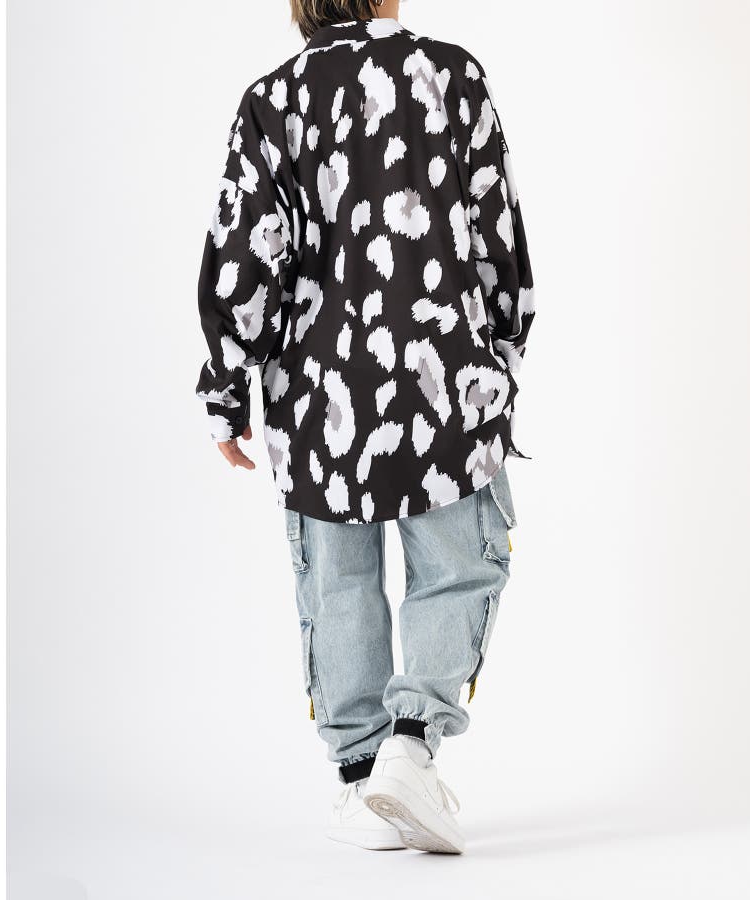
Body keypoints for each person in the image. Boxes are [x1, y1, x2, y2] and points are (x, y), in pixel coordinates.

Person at [195, 0, 535, 854]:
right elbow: (497, 233)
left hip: (320, 400)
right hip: (444, 382)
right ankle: (409, 752)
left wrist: (228, 388)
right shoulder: (452, 76)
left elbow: (244, 257)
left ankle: (359, 778)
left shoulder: (273, 100)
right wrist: (503, 349)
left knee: (338, 585)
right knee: (457, 567)